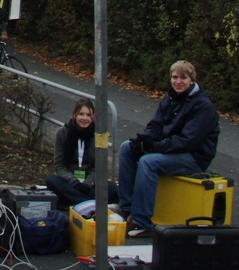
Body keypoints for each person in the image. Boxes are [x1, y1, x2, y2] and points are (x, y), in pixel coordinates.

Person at [118, 60, 220, 238]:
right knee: (127, 148)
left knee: (148, 161)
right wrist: (144, 140)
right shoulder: (170, 98)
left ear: (191, 80)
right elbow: (156, 125)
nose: (178, 81)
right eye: (174, 77)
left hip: (194, 157)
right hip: (171, 149)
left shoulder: (203, 106)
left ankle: (142, 222)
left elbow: (187, 141)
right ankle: (126, 208)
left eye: (183, 78)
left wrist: (154, 147)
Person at [45, 99, 119, 208]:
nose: (84, 118)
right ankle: (91, 204)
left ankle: (74, 201)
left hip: (89, 185)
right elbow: (59, 165)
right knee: (51, 180)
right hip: (69, 183)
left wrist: (87, 184)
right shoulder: (62, 133)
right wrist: (74, 182)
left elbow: (99, 167)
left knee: (113, 189)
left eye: (88, 115)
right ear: (74, 115)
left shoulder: (99, 135)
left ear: (92, 117)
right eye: (81, 114)